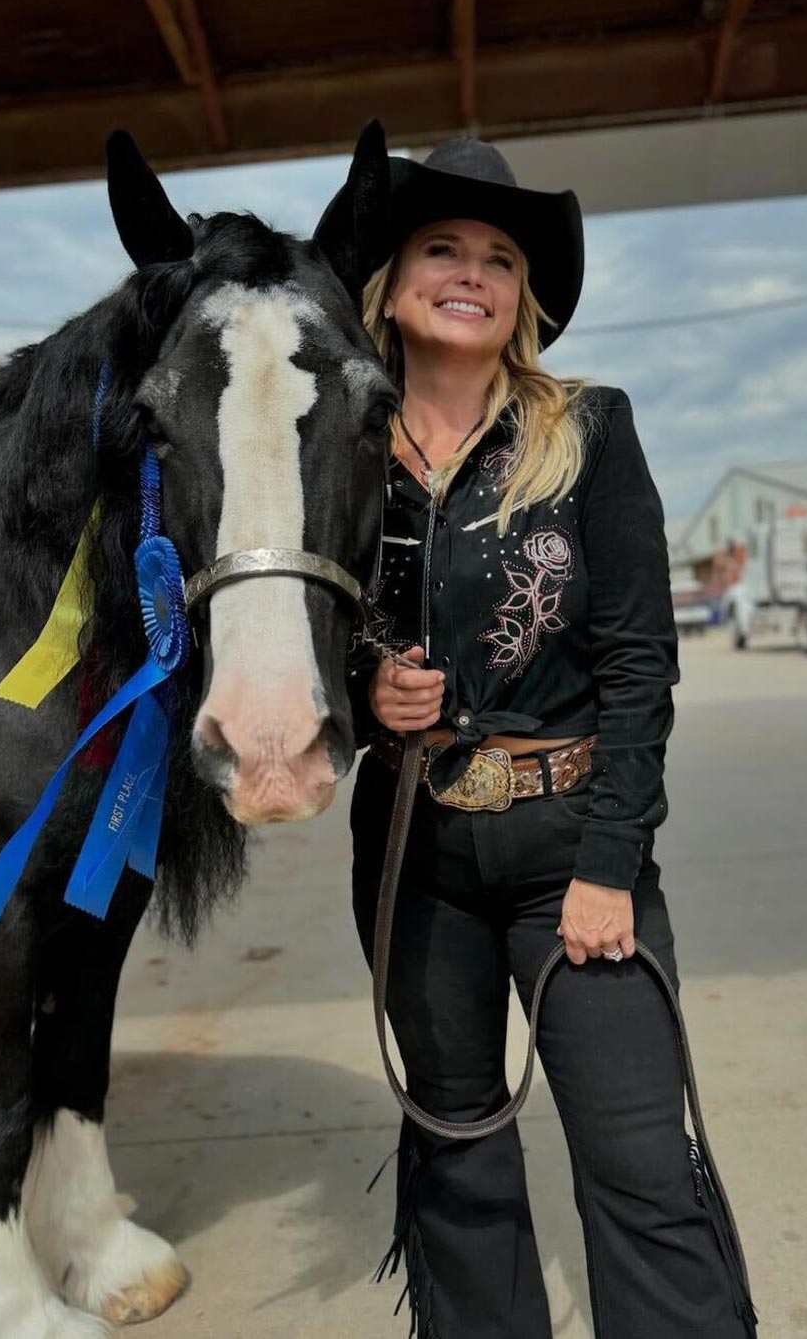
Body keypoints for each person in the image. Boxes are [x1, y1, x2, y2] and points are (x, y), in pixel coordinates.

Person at [317, 130, 757, 1339]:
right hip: (414, 851)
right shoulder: (342, 453)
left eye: (499, 258)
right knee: (455, 1147)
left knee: (637, 1159)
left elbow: (638, 665)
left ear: (522, 296)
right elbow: (301, 640)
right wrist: (370, 698)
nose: (471, 272)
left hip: (572, 842)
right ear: (392, 286)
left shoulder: (588, 430)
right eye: (442, 248)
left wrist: (611, 864)